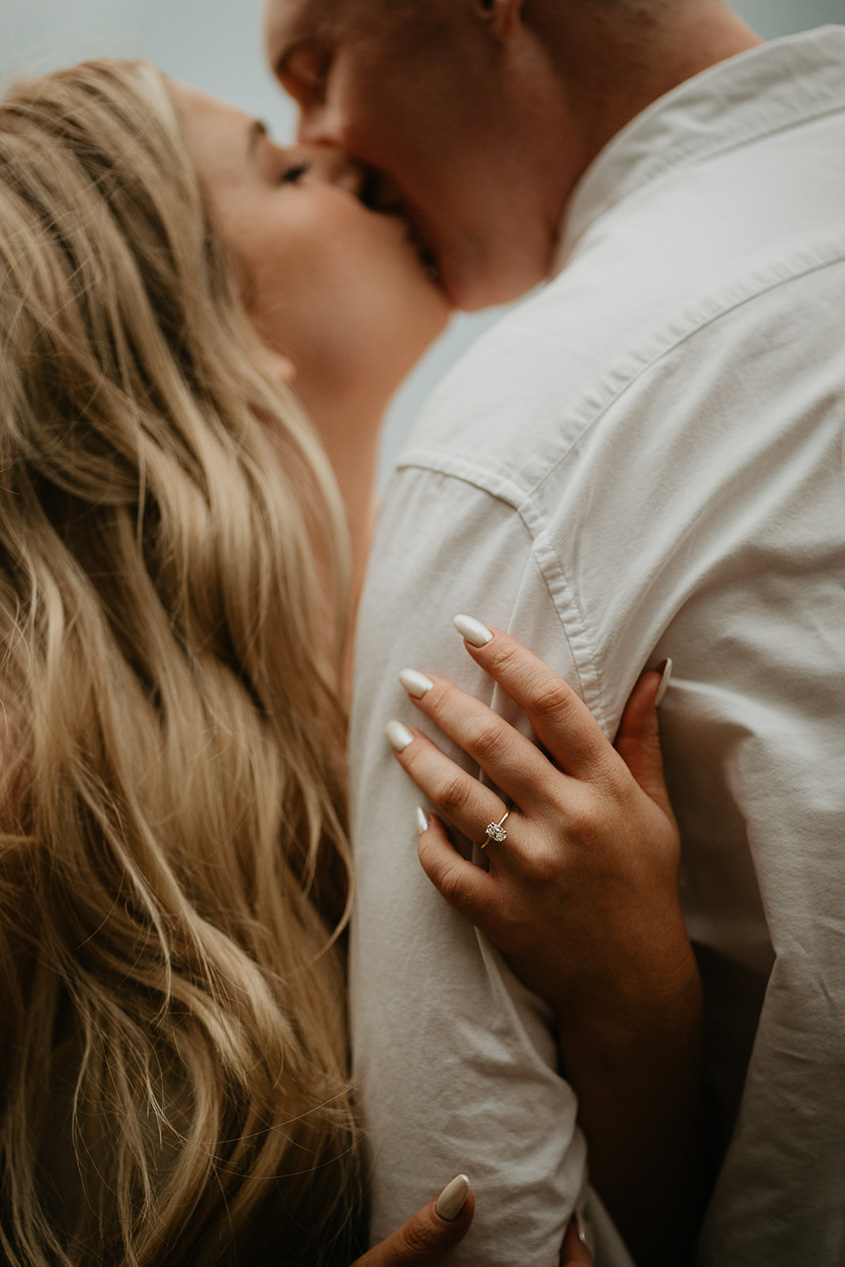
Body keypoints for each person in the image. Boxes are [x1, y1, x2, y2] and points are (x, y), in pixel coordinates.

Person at [0, 55, 636, 1267]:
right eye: (285, 170)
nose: (339, 145)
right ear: (203, 324)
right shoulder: (29, 794)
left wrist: (634, 994)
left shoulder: (498, 669)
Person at [264, 0, 845, 1263]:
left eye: (315, 75)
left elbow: (482, 1211)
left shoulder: (522, 445)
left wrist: (639, 1014)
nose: (327, 141)